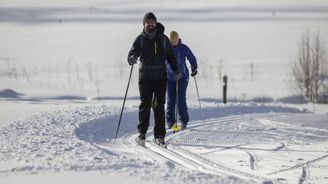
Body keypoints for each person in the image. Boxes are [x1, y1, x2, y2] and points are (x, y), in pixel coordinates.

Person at [127, 12, 181, 146]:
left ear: (155, 23)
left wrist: (175, 70)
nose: (150, 25)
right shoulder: (140, 39)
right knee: (144, 105)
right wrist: (132, 58)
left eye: (152, 23)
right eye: (148, 23)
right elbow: (132, 54)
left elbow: (170, 56)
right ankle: (142, 135)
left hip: (160, 78)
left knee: (159, 106)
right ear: (144, 24)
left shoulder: (163, 39)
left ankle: (160, 136)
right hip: (145, 77)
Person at [166, 31, 198, 130]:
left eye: (175, 41)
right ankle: (171, 123)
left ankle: (184, 121)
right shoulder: (166, 49)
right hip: (170, 78)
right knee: (170, 100)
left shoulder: (183, 48)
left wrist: (194, 67)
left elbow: (191, 58)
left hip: (182, 77)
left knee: (180, 99)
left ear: (178, 39)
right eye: (171, 42)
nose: (174, 43)